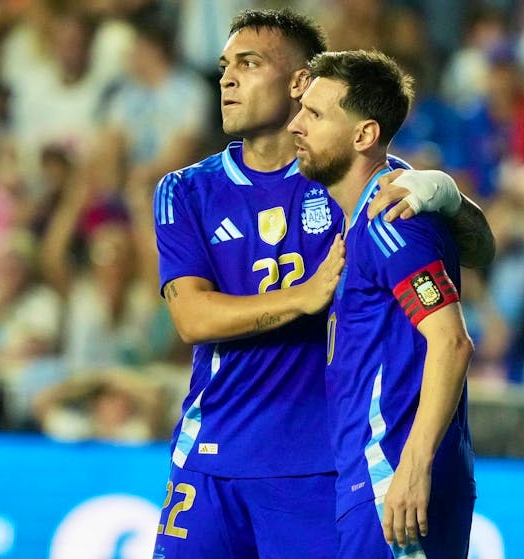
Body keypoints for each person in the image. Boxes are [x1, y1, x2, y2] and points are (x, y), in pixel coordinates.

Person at [151, 9, 494, 559]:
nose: (227, 79)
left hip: (322, 465)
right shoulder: (186, 190)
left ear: (300, 81)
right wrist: (304, 297)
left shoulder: (353, 176)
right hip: (210, 455)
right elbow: (192, 319)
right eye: (225, 65)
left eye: (249, 63)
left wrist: (446, 194)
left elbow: (473, 253)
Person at [288, 50, 476, 558]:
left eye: (315, 114)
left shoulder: (391, 221)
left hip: (392, 478)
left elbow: (452, 342)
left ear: (364, 135)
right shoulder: (365, 218)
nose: (295, 125)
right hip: (375, 479)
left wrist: (412, 467)